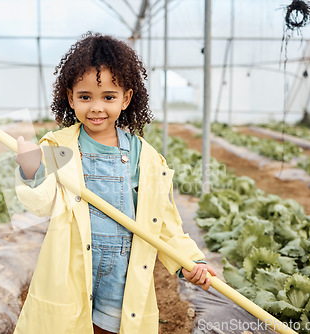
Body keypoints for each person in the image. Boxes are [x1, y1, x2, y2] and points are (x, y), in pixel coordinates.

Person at [13, 32, 216, 334]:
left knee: (109, 327)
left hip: (121, 271)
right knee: (69, 324)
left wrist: (189, 260)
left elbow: (163, 219)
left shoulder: (142, 156)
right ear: (70, 97)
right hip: (72, 263)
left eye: (108, 97)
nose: (96, 107)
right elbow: (43, 204)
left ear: (126, 98)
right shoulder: (58, 146)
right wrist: (32, 171)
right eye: (85, 97)